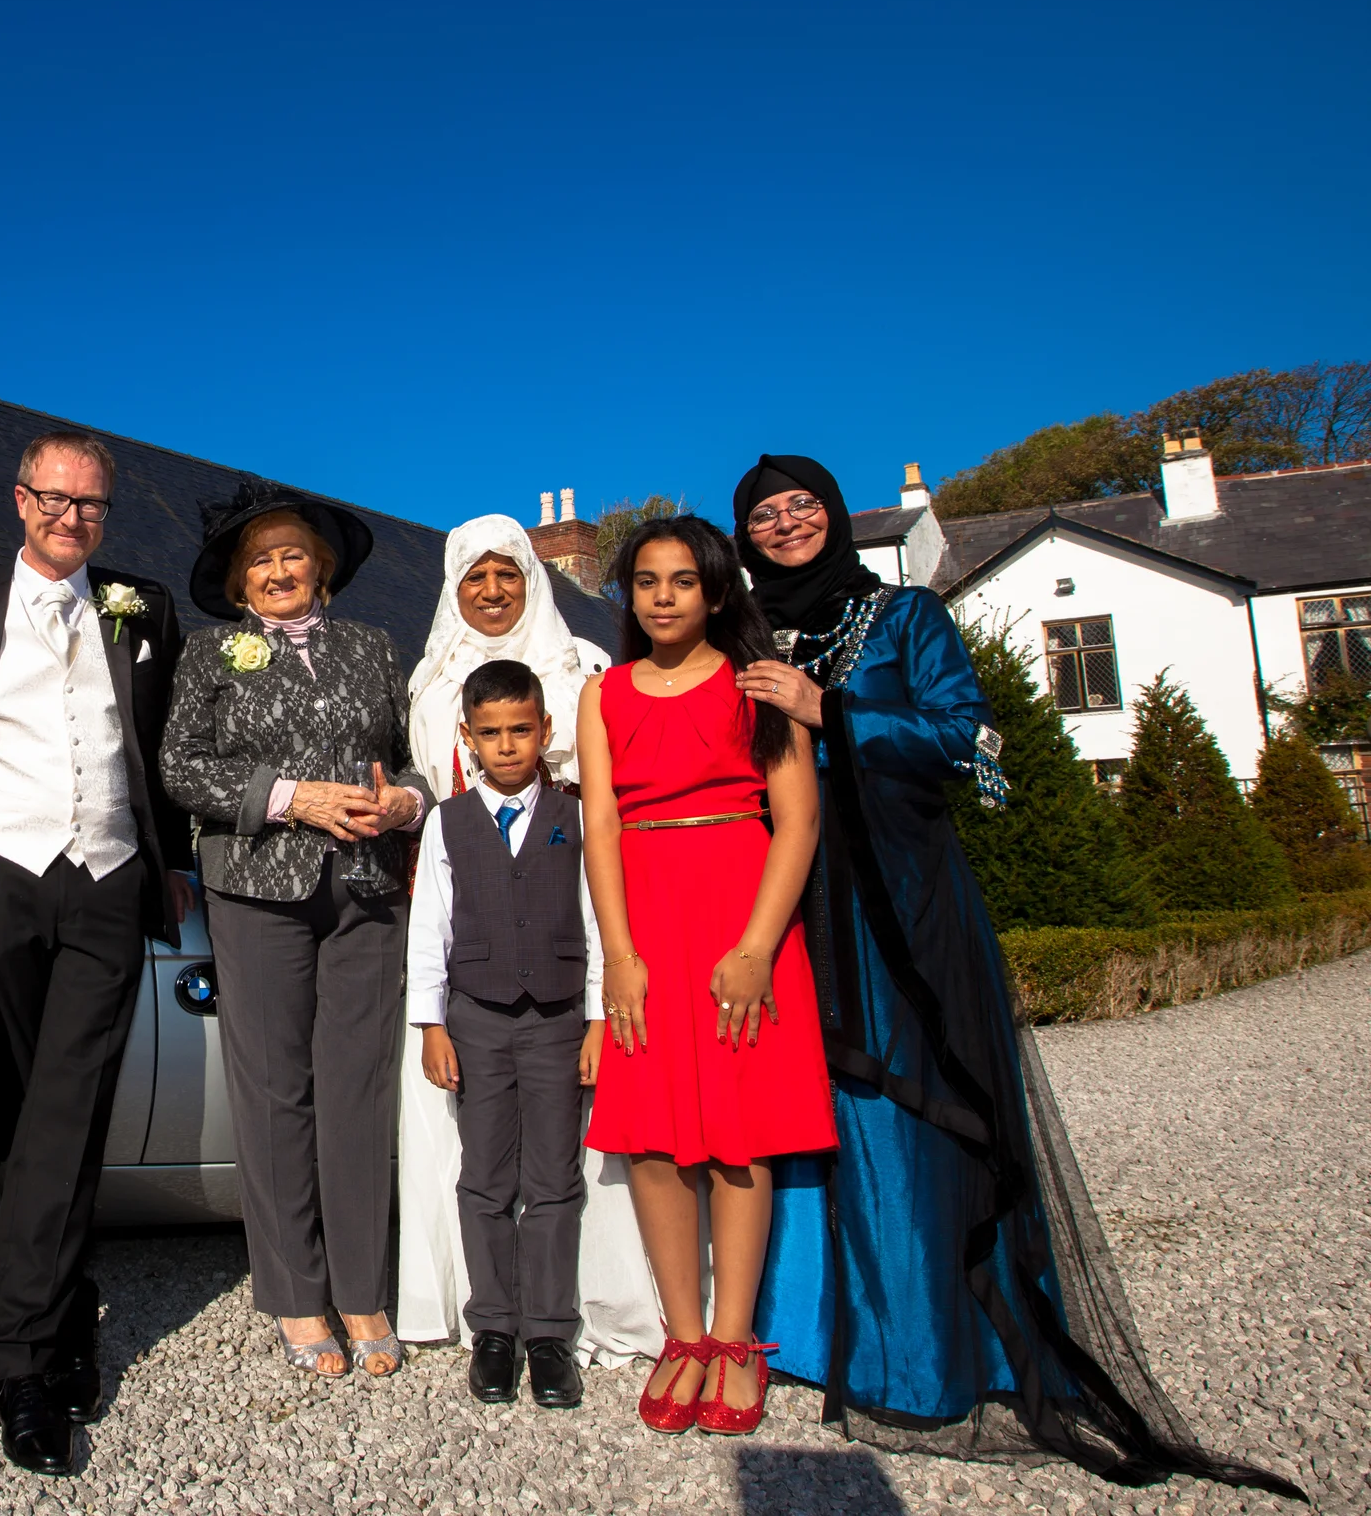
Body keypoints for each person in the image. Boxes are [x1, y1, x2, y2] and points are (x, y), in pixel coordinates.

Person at [732, 455, 1300, 1496]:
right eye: (762, 515)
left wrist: (832, 710)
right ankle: (805, 1335)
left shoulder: (901, 617)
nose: (784, 523)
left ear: (834, 515)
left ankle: (922, 1352)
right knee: (794, 1109)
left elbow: (973, 739)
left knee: (901, 1107)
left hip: (891, 899)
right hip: (777, 902)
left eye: (801, 505)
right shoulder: (749, 634)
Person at [0, 430, 191, 1476]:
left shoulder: (142, 606)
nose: (75, 521)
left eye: (94, 507)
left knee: (71, 1103)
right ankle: (58, 1310)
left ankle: (17, 1356)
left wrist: (178, 856)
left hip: (109, 875)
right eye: (58, 502)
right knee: (18, 1104)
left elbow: (167, 746)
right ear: (19, 499)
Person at [160, 482, 432, 1380]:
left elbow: (420, 759)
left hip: (367, 887)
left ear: (322, 568)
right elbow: (180, 769)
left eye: (293, 554)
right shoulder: (209, 655)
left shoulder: (373, 646)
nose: (279, 569)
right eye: (261, 559)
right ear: (240, 582)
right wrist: (293, 798)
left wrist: (404, 801)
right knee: (276, 1091)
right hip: (257, 889)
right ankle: (294, 1292)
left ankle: (362, 1285)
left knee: (357, 1091)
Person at [578, 516, 835, 1438]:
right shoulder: (602, 692)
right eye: (645, 580)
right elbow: (600, 828)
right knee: (650, 1139)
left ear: (718, 592)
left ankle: (733, 1341)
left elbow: (797, 821)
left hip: (739, 909)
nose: (661, 595)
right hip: (645, 919)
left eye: (682, 580)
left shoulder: (757, 684)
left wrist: (760, 945)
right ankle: (681, 1336)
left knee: (740, 1133)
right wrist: (620, 956)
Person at [396, 516, 657, 1368]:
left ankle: (564, 1315)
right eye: (476, 577)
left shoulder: (583, 668)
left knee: (560, 1163)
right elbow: (426, 818)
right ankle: (486, 1314)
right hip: (472, 952)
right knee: (478, 1162)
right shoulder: (432, 684)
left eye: (509, 574)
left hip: (563, 898)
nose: (494, 590)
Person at [405, 659, 603, 1411]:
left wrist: (593, 1021)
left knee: (555, 1179)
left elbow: (594, 920)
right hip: (478, 1018)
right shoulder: (446, 821)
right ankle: (493, 1326)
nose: (508, 745)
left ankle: (550, 1333)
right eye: (491, 733)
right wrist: (430, 1023)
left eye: (522, 729)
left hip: (556, 1021)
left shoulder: (577, 816)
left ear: (547, 731)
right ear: (468, 737)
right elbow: (431, 929)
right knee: (485, 1178)